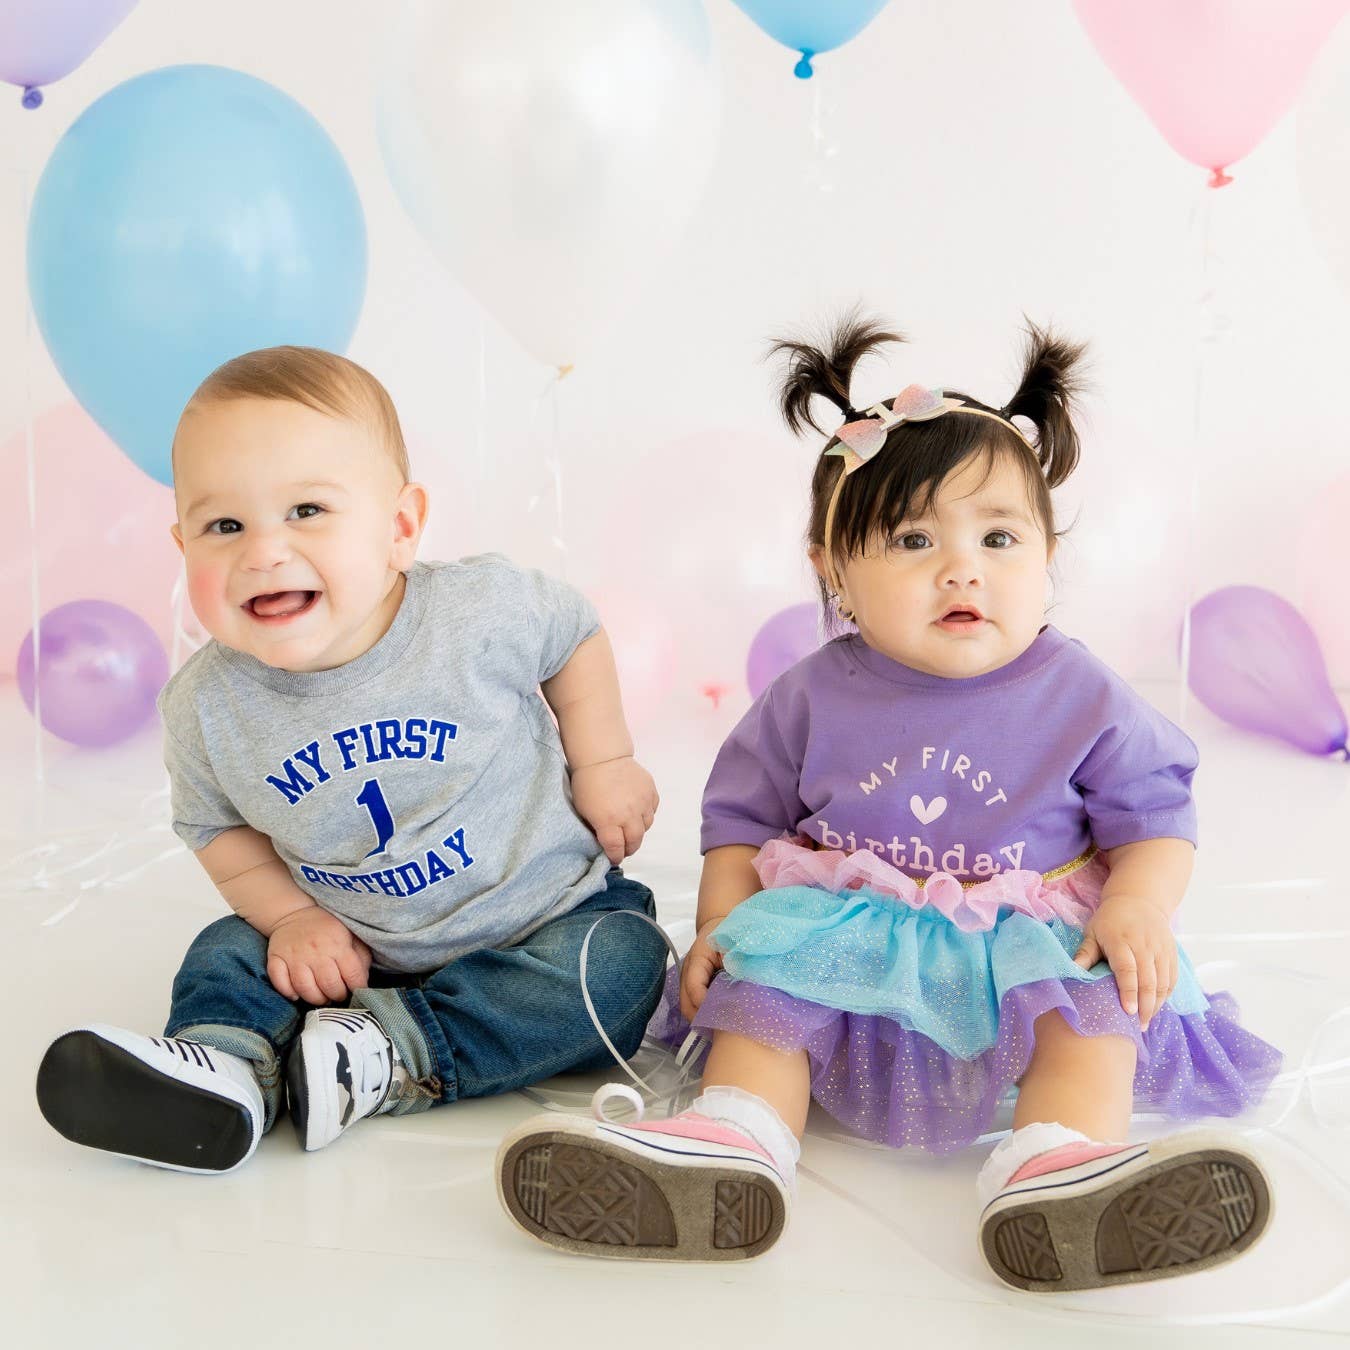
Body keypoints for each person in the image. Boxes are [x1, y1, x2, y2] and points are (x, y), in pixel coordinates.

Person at [495, 315, 1281, 1291]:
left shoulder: (1081, 693)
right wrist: (721, 928)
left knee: (1091, 1002)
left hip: (1024, 938)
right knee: (768, 987)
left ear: (1046, 557)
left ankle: (1062, 1160)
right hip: (851, 933)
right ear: (832, 569)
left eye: (999, 537)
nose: (963, 567)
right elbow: (742, 821)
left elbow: (1153, 815)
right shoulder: (811, 695)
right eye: (913, 539)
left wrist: (1136, 906)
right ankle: (734, 1137)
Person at [36, 346, 666, 1173]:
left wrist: (604, 760)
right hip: (351, 949)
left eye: (306, 510)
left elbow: (573, 634)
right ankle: (222, 1067)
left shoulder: (477, 612)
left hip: (545, 914)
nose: (263, 551)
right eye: (224, 526)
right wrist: (291, 919)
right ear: (181, 543)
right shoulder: (206, 706)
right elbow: (215, 828)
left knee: (622, 965)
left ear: (399, 528)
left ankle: (390, 1054)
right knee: (230, 949)